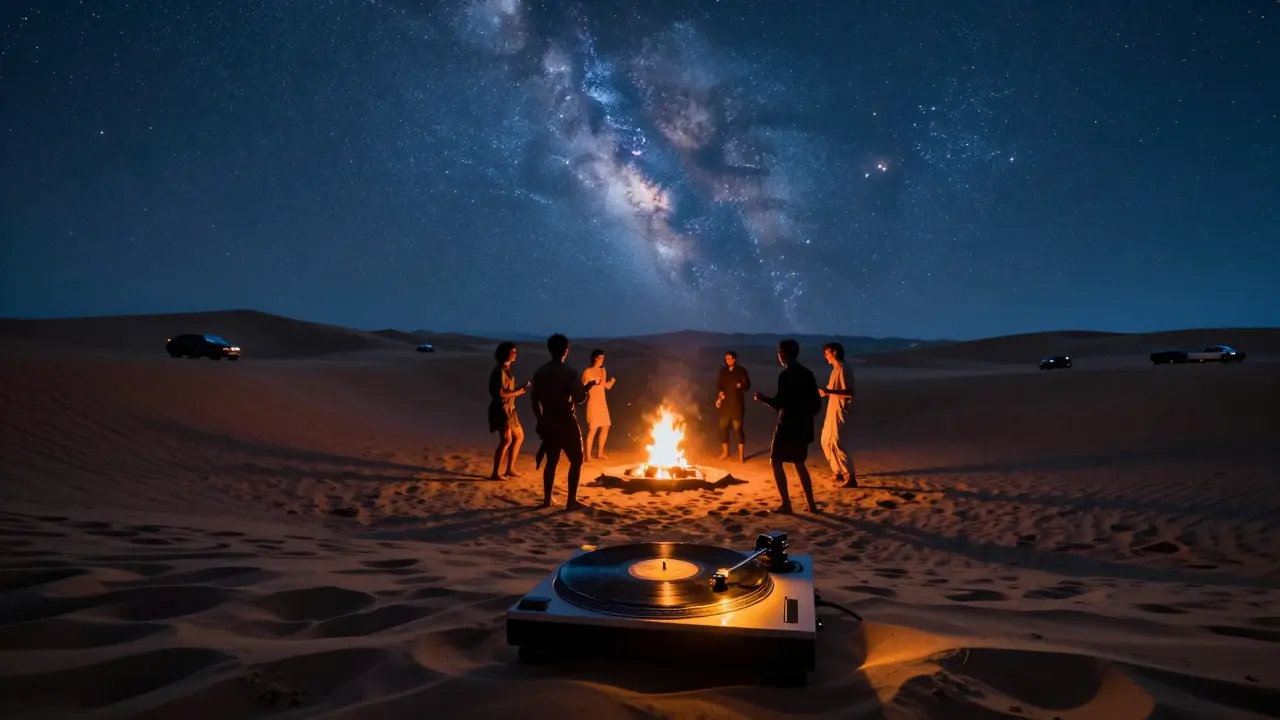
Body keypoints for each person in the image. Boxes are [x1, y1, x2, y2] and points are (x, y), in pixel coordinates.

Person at [753, 339, 821, 513]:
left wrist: (762, 399)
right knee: (799, 463)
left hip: (787, 426)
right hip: (804, 427)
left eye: (778, 352)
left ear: (782, 354)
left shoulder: (786, 375)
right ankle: (811, 504)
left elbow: (778, 404)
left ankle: (786, 504)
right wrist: (805, 416)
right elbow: (816, 404)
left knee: (776, 461)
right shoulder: (807, 373)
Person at [530, 333, 597, 509]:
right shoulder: (569, 372)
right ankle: (571, 501)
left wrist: (541, 420)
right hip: (566, 421)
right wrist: (586, 389)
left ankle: (547, 500)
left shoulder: (540, 372)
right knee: (576, 460)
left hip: (549, 421)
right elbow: (578, 398)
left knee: (551, 461)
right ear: (565, 351)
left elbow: (534, 400)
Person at [487, 342, 530, 480]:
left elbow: (507, 390)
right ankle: (495, 473)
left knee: (519, 436)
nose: (515, 354)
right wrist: (518, 392)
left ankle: (510, 468)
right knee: (506, 440)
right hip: (502, 410)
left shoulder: (506, 368)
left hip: (510, 409)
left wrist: (520, 389)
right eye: (513, 352)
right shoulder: (499, 370)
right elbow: (500, 394)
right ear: (506, 353)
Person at [819, 341, 858, 487]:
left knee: (837, 442)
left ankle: (850, 476)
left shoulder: (843, 369)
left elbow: (849, 392)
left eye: (827, 353)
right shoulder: (835, 369)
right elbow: (833, 390)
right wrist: (825, 392)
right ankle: (838, 472)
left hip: (840, 411)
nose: (825, 356)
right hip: (832, 410)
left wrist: (828, 392)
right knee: (826, 440)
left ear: (834, 352)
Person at [714, 350, 751, 462]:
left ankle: (741, 457)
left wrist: (741, 385)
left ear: (734, 359)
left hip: (737, 404)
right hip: (725, 405)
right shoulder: (723, 371)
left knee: (738, 429)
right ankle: (726, 453)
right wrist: (719, 399)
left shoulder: (741, 370)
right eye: (726, 359)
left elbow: (747, 386)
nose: (728, 361)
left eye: (730, 359)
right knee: (722, 428)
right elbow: (720, 386)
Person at [581, 349, 616, 461]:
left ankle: (600, 453)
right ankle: (588, 455)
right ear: (595, 358)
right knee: (593, 428)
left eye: (603, 358)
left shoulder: (603, 371)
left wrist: (611, 382)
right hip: (593, 402)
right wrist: (591, 383)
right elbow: (582, 387)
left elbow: (604, 385)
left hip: (602, 402)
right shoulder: (587, 371)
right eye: (600, 358)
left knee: (605, 426)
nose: (602, 360)